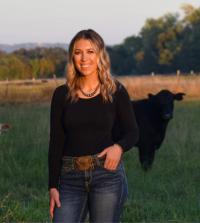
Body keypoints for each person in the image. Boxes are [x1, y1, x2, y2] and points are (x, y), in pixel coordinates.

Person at [48, 29, 139, 223]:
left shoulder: (116, 91)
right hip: (70, 177)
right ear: (72, 56)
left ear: (100, 55)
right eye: (78, 52)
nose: (84, 58)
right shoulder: (61, 94)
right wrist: (53, 186)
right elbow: (56, 141)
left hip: (106, 174)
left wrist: (119, 147)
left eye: (90, 51)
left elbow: (133, 132)